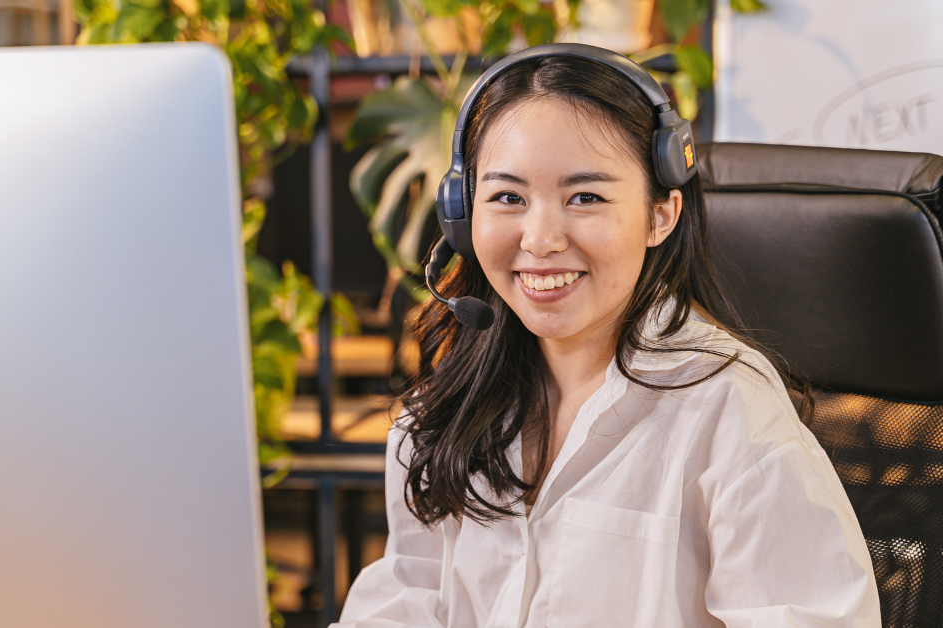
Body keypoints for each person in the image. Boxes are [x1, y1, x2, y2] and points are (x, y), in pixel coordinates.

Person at [334, 44, 881, 628]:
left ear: (660, 215)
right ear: (463, 216)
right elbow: (407, 596)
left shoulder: (730, 412)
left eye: (585, 198)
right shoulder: (453, 405)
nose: (540, 238)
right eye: (508, 198)